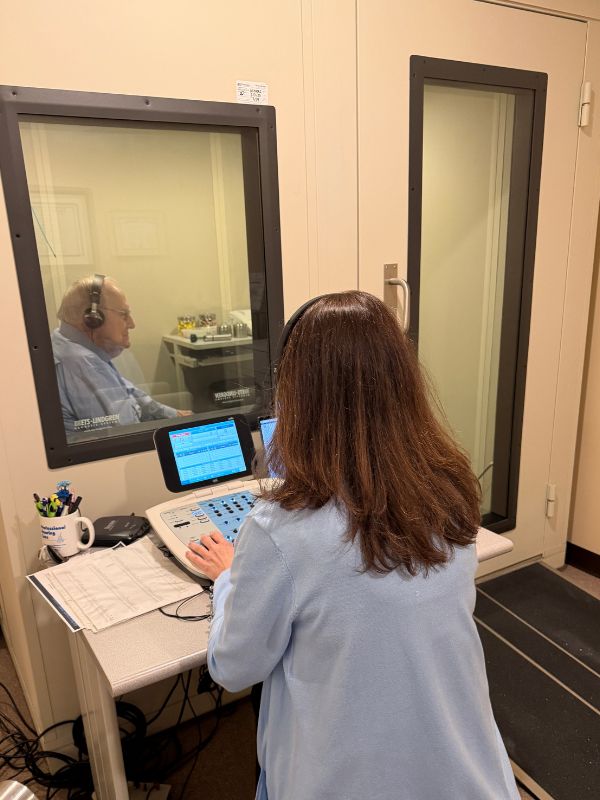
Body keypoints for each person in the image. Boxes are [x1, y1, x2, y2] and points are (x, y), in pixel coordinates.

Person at [186, 291, 520, 800]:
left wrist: (229, 577)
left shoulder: (281, 529)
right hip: (468, 776)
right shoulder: (450, 490)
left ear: (296, 396)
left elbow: (235, 669)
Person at [51, 274, 191, 436]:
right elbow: (128, 434)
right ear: (93, 318)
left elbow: (129, 392)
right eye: (124, 314)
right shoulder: (82, 363)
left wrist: (174, 415)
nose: (132, 324)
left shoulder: (66, 341)